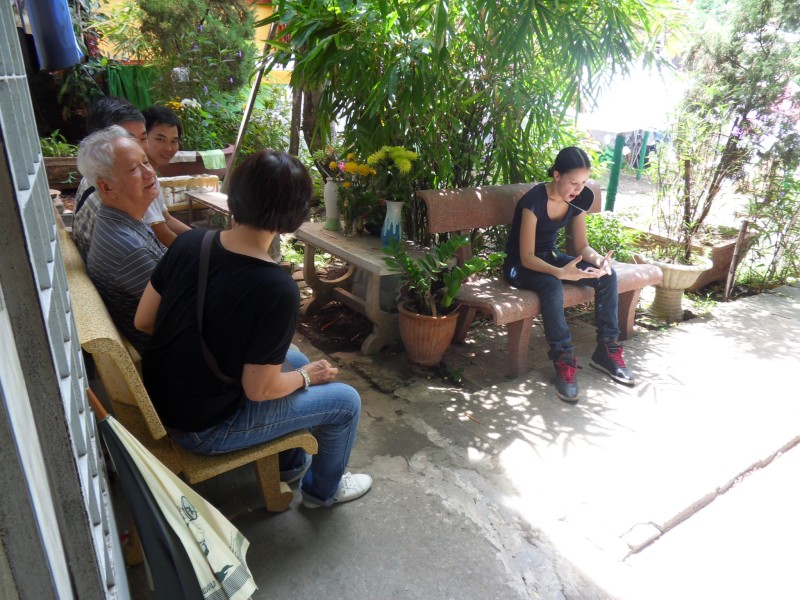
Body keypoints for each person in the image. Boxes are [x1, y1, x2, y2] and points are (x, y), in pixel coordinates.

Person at [134, 150, 372, 509]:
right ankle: (323, 492)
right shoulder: (276, 288)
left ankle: (289, 464)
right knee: (345, 401)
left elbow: (144, 321)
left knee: (293, 358)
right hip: (205, 429)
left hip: (164, 401)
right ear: (295, 216)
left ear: (235, 198)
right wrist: (307, 378)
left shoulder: (190, 242)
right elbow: (259, 390)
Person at [503, 146, 635, 403]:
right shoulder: (533, 202)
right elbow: (527, 257)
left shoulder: (578, 200)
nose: (578, 188)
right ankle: (563, 358)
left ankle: (607, 349)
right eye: (574, 182)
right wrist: (561, 272)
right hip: (520, 265)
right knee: (552, 284)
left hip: (551, 258)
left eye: (583, 182)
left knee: (607, 276)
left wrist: (599, 261)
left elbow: (582, 246)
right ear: (556, 175)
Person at [77, 125, 164, 352]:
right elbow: (182, 313)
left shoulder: (118, 221)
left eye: (146, 162)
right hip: (171, 354)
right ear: (106, 187)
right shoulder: (129, 248)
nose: (149, 173)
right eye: (134, 168)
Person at [72, 97, 187, 259]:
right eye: (128, 140)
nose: (138, 148)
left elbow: (165, 220)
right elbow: (158, 238)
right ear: (101, 142)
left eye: (143, 138)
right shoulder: (121, 189)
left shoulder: (100, 174)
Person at [141, 105, 191, 247]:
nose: (168, 148)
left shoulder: (151, 174)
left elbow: (166, 219)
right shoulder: (141, 177)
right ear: (143, 138)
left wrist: (200, 237)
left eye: (174, 141)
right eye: (160, 139)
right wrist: (198, 250)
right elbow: (161, 232)